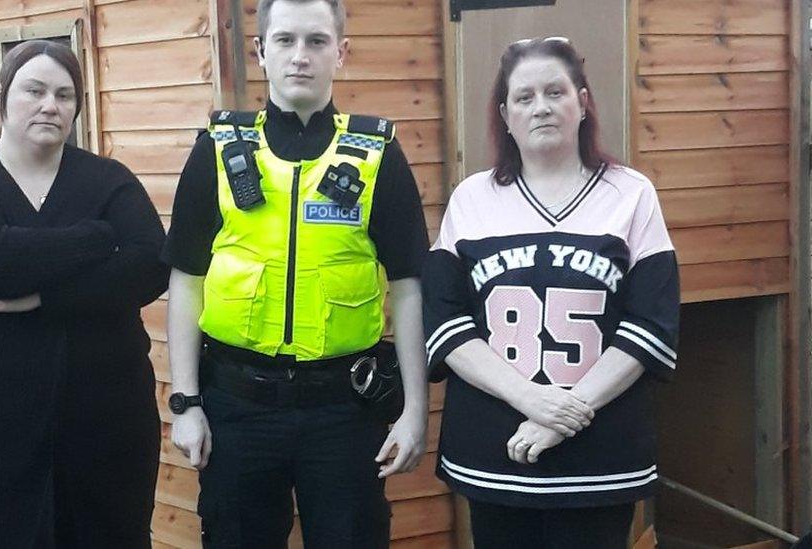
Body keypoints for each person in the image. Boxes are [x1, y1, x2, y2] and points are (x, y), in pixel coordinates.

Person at [163, 0, 429, 546]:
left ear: (342, 52)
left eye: (316, 41)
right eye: (284, 41)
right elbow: (186, 282)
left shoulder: (378, 155)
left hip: (343, 414)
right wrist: (187, 404)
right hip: (237, 410)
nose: (300, 57)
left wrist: (415, 413)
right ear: (261, 52)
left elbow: (408, 287)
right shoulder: (217, 150)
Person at [422, 37, 680, 548]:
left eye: (555, 92)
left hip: (600, 454)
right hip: (497, 449)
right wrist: (533, 400)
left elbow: (650, 323)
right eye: (524, 97)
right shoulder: (472, 199)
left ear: (582, 102)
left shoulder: (631, 194)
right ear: (505, 114)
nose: (540, 106)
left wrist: (566, 415)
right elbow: (446, 323)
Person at [0, 40, 169, 548]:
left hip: (109, 425)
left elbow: (150, 266)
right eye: (33, 90)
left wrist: (44, 299)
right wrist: (98, 239)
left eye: (64, 94)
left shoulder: (108, 180)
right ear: (2, 94)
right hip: (1, 429)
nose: (49, 105)